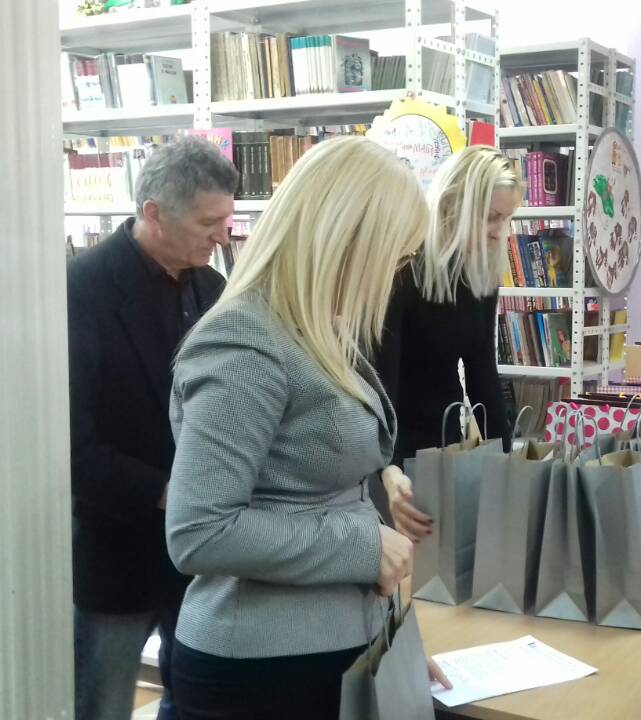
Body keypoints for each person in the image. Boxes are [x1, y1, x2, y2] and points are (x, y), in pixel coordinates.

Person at [165, 136, 447, 719]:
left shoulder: (313, 330)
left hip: (330, 650)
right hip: (263, 672)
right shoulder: (245, 342)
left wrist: (388, 641)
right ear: (347, 243)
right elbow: (199, 532)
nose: (394, 279)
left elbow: (310, 484)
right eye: (394, 258)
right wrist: (365, 546)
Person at [67, 135, 237, 720]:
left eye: (226, 221)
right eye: (208, 223)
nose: (222, 238)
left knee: (193, 701)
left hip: (200, 552)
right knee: (100, 704)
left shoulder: (214, 290)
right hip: (117, 546)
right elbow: (69, 443)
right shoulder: (80, 290)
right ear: (154, 213)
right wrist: (166, 492)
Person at [373, 145, 522, 534]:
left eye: (506, 218)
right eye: (490, 217)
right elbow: (381, 384)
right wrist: (387, 471)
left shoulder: (480, 274)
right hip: (390, 448)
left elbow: (482, 373)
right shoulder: (404, 268)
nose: (499, 231)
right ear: (454, 205)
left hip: (443, 439)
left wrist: (507, 463)